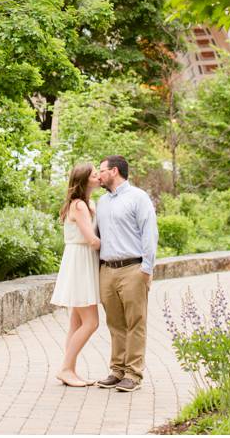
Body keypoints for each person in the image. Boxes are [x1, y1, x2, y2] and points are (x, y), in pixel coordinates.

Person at [92, 155, 158, 394]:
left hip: (133, 269)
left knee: (135, 323)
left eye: (102, 171)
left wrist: (146, 269)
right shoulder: (102, 202)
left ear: (115, 171)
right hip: (107, 271)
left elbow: (149, 233)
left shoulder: (138, 198)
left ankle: (133, 374)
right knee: (115, 324)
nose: (99, 175)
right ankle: (117, 370)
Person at [49, 162, 103, 387]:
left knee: (76, 322)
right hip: (80, 261)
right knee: (91, 322)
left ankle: (69, 369)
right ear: (84, 180)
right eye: (94, 174)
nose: (99, 176)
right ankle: (65, 369)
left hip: (81, 261)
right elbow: (91, 240)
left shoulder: (89, 203)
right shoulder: (79, 205)